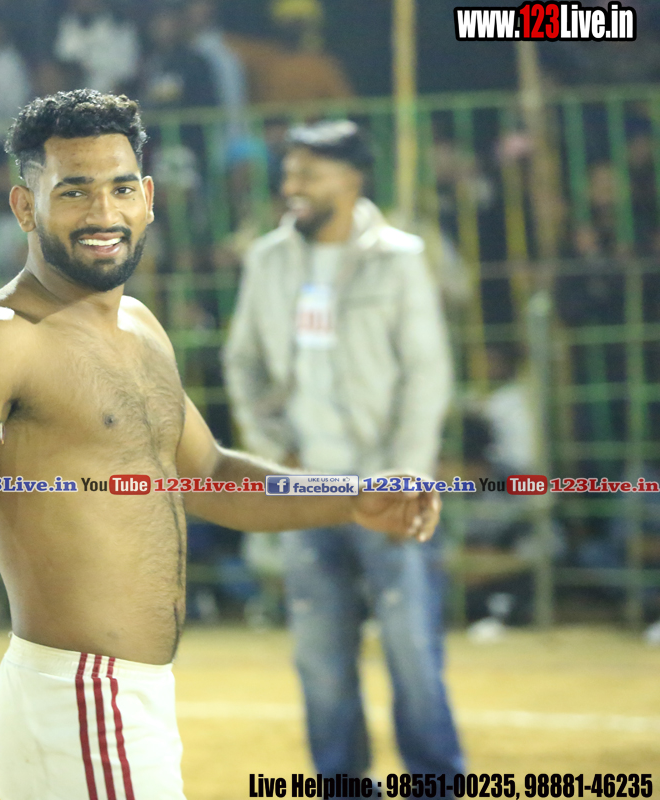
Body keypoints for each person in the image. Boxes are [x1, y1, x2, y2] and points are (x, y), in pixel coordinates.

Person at [0, 91, 441, 800]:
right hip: (80, 700)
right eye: (74, 192)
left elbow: (211, 474)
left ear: (148, 199)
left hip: (128, 701)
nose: (104, 212)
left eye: (121, 188)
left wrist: (349, 498)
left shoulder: (142, 328)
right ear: (25, 208)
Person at [222, 120, 463, 777]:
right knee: (320, 661)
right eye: (289, 173)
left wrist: (406, 472)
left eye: (309, 173)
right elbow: (242, 362)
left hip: (387, 489)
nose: (292, 186)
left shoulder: (399, 257)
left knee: (413, 654)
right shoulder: (269, 259)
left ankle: (435, 787)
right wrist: (271, 451)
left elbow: (427, 372)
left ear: (352, 178)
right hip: (306, 492)